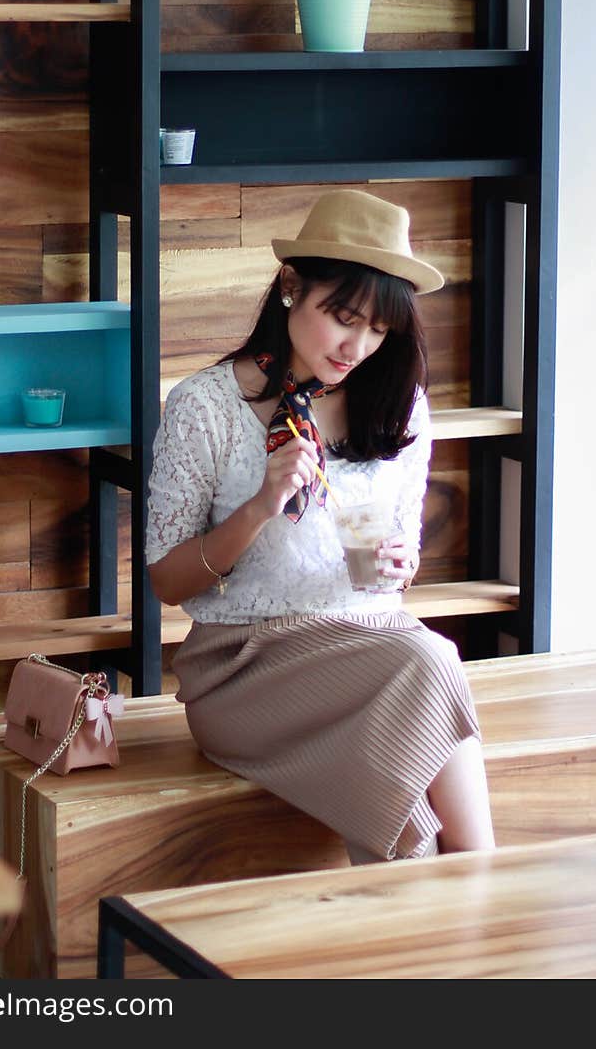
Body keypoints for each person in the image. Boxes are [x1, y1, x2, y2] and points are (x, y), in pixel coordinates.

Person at [145, 189, 495, 862]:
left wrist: (400, 562)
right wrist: (257, 508)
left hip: (373, 646)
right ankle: (484, 890)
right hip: (244, 668)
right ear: (290, 289)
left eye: (377, 329)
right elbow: (166, 580)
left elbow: (399, 555)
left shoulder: (399, 406)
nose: (357, 345)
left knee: (419, 666)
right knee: (431, 659)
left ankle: (449, 907)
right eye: (342, 317)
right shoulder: (206, 407)